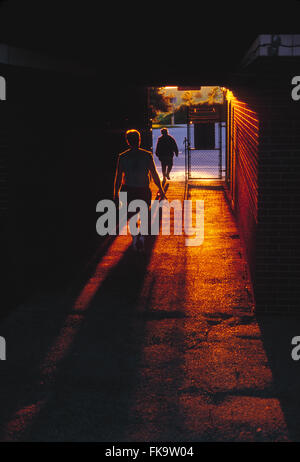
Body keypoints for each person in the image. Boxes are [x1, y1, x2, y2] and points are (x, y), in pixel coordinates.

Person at [113, 129, 166, 252]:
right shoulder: (147, 155)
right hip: (143, 189)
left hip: (128, 189)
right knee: (143, 214)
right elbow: (154, 174)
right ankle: (141, 237)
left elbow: (118, 177)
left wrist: (115, 193)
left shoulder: (122, 157)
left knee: (131, 215)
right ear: (139, 140)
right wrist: (161, 189)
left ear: (128, 141)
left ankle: (135, 238)